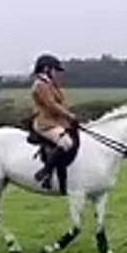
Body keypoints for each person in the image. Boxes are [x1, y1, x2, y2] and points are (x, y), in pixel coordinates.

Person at [30, 54, 79, 188]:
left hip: (57, 122)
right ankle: (45, 171)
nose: (58, 74)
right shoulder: (40, 85)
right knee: (66, 143)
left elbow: (61, 102)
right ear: (46, 69)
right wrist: (69, 115)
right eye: (55, 70)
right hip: (46, 124)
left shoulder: (51, 84)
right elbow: (52, 105)